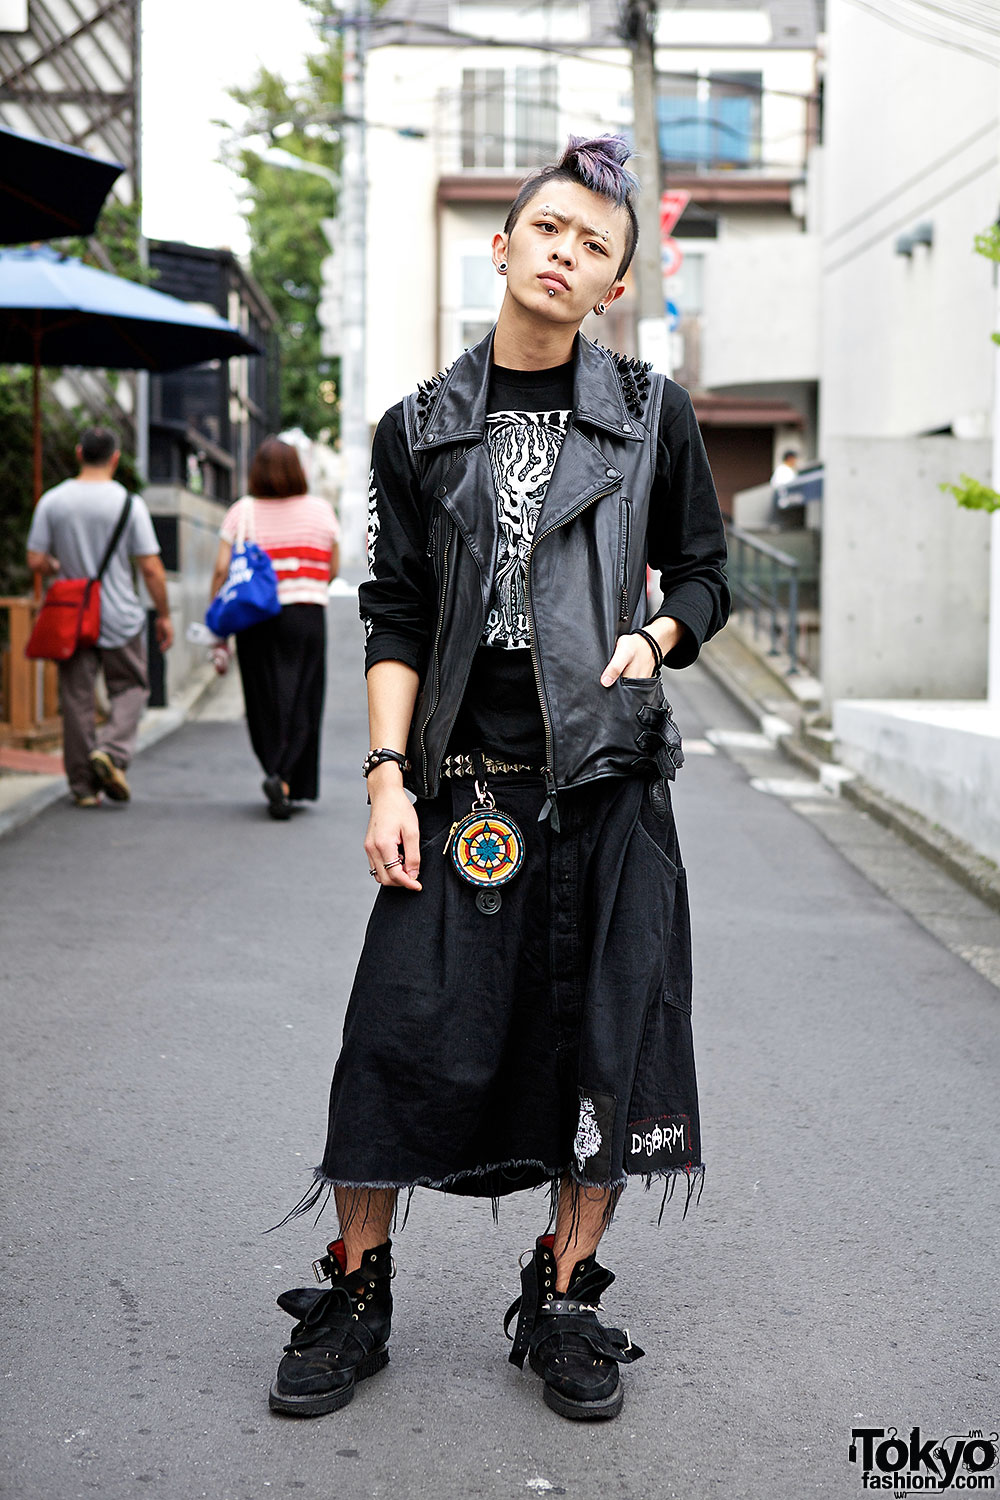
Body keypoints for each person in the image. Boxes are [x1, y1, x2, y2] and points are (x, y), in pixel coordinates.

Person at [268, 136, 730, 1423]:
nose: (565, 253)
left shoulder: (650, 415)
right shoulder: (415, 428)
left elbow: (706, 573)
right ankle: (356, 1288)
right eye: (550, 230)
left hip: (609, 778)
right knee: (394, 1036)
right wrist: (382, 779)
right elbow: (399, 610)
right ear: (504, 245)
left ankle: (566, 1292)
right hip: (463, 779)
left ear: (613, 285)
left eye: (595, 245)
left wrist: (658, 636)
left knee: (608, 1048)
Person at [26, 427, 173, 807]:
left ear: (78, 453)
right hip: (120, 614)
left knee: (76, 699)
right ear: (115, 458)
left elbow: (35, 560)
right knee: (132, 688)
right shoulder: (128, 504)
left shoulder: (53, 501)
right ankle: (111, 750)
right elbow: (152, 567)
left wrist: (60, 564)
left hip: (71, 618)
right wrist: (164, 614)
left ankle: (83, 788)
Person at [211, 437, 340, 820]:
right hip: (306, 614)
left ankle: (275, 770)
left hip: (256, 615)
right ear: (298, 470)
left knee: (263, 697)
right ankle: (285, 776)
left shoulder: (241, 512)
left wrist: (215, 620)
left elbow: (221, 570)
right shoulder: (320, 511)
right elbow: (331, 568)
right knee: (303, 696)